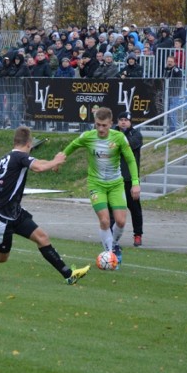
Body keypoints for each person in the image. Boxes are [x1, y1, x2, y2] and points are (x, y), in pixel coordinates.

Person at [0, 126, 90, 285]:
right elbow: (38, 167)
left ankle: (68, 275)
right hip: (1, 218)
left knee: (42, 237)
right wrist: (56, 161)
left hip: (15, 213)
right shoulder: (20, 157)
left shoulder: (7, 158)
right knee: (0, 257)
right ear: (29, 144)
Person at [61, 107, 140, 264]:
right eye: (98, 125)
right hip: (96, 184)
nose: (101, 129)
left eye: (104, 125)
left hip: (116, 184)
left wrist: (135, 183)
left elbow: (130, 160)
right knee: (104, 221)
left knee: (121, 221)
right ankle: (110, 253)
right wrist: (60, 159)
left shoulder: (119, 138)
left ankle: (115, 244)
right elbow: (72, 146)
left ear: (111, 123)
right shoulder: (88, 137)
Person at [115, 112, 143, 246]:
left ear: (131, 122)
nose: (123, 122)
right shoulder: (112, 132)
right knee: (112, 209)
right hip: (114, 178)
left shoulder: (136, 135)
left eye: (126, 120)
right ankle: (110, 235)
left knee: (135, 209)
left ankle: (138, 235)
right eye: (121, 120)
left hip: (130, 179)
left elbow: (127, 146)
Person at [163, 56, 183, 133]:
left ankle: (172, 130)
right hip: (167, 94)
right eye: (168, 61)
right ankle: (169, 129)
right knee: (167, 112)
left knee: (172, 112)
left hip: (174, 94)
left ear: (174, 62)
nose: (170, 63)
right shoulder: (166, 70)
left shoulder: (176, 70)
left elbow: (178, 74)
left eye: (171, 61)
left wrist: (174, 68)